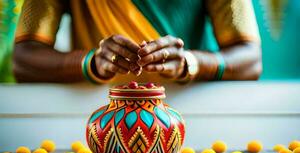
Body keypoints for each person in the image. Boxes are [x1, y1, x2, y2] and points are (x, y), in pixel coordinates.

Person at [13, 0, 262, 84]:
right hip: (92, 121)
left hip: (190, 117)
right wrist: (90, 63)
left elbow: (250, 59)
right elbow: (23, 59)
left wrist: (190, 62)